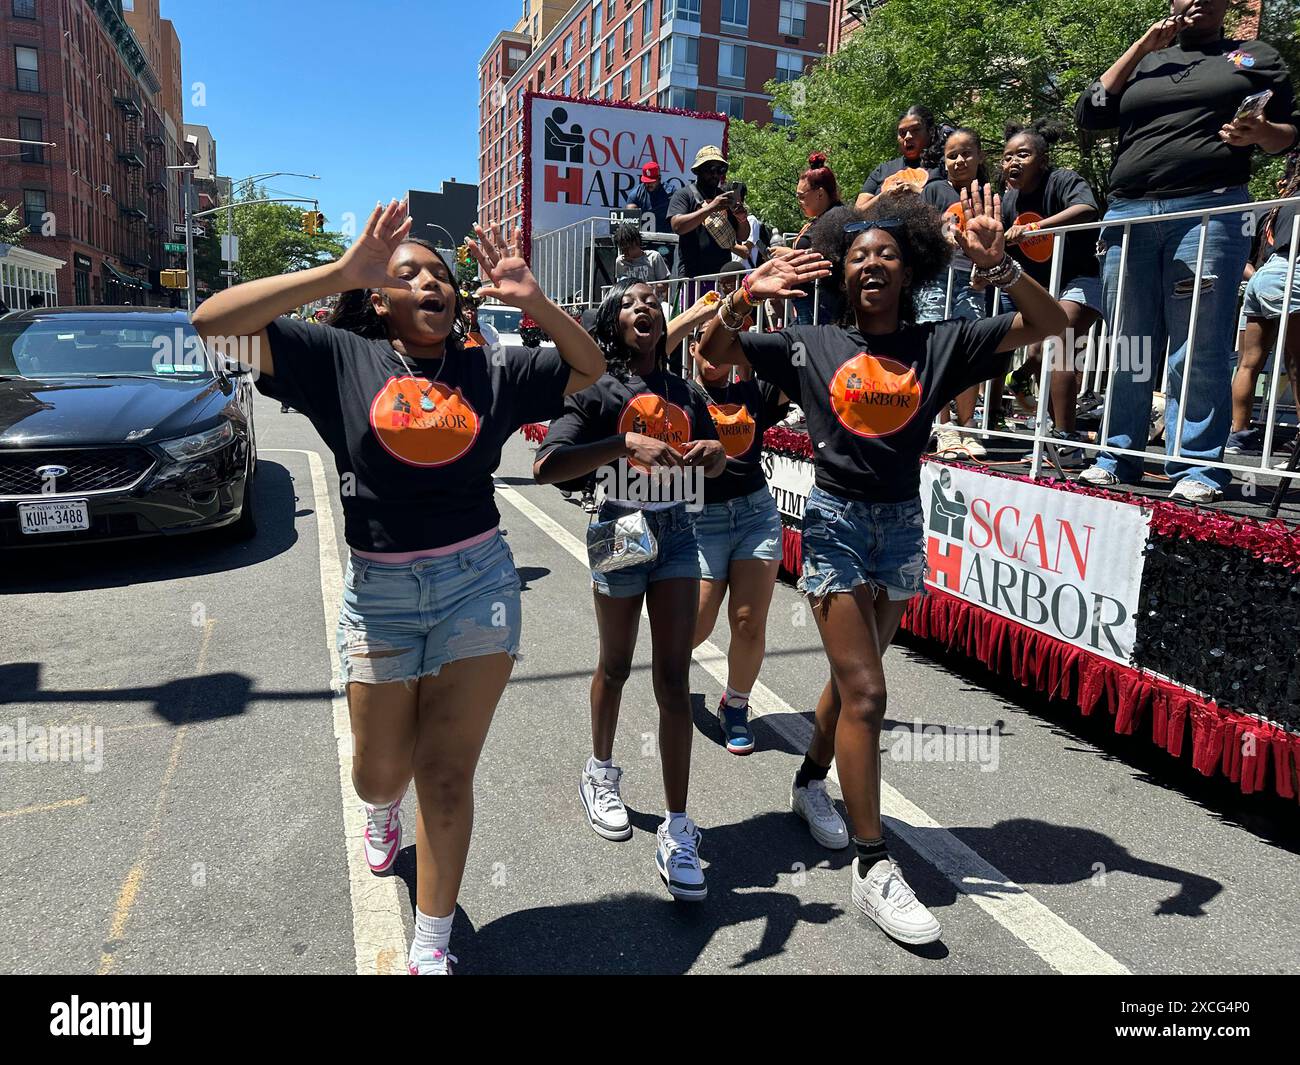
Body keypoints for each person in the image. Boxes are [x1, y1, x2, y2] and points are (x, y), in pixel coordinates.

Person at [191, 202, 605, 975]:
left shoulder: (492, 368)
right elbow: (212, 323)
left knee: (447, 773)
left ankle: (431, 942)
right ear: (380, 298)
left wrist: (535, 301)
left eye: (442, 276)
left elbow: (591, 369)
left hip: (477, 584)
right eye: (407, 273)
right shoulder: (338, 358)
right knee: (379, 772)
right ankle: (383, 810)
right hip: (379, 594)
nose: (430, 283)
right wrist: (339, 271)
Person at [700, 186, 1068, 945]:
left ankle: (808, 785)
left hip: (901, 529)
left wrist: (1000, 268)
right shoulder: (812, 344)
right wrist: (742, 297)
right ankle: (875, 864)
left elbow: (1051, 323)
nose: (872, 264)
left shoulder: (941, 341)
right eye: (858, 255)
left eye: (887, 256)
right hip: (834, 526)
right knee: (868, 690)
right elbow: (711, 355)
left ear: (910, 272)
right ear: (840, 272)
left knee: (847, 681)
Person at [533, 279, 726, 901]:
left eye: (652, 302)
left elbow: (715, 460)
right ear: (613, 323)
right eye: (631, 304)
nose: (644, 308)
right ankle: (601, 771)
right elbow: (547, 464)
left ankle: (677, 827)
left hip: (676, 532)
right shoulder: (596, 387)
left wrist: (713, 454)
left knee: (673, 679)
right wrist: (622, 443)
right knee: (615, 665)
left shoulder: (682, 390)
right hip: (618, 526)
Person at [1075, 0, 1300, 503]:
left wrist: (1260, 132)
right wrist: (1139, 48)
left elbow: (1288, 134)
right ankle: (1117, 454)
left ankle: (1196, 465)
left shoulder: (1255, 56)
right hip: (1129, 213)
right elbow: (1090, 112)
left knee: (1197, 342)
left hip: (1208, 212)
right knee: (1130, 342)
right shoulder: (1147, 60)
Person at [687, 328, 789, 755]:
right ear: (695, 350)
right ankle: (672, 678)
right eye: (707, 347)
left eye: (730, 347)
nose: (716, 356)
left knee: (748, 621)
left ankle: (735, 705)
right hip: (702, 519)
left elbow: (796, 366)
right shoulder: (682, 397)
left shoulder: (755, 391)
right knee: (697, 623)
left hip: (755, 515)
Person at [999, 120, 1105, 469]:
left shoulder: (1062, 180)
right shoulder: (1009, 198)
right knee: (1043, 353)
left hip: (1083, 277)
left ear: (1042, 160)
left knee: (1060, 338)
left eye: (1023, 155)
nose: (1012, 162)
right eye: (1006, 156)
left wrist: (1034, 228)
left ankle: (1066, 439)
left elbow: (1086, 210)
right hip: (1046, 287)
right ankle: (1048, 431)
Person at [920, 127, 991, 458]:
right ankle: (943, 425)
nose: (960, 160)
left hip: (972, 280)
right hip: (936, 280)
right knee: (937, 350)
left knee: (969, 352)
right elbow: (919, 232)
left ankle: (967, 426)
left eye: (966, 153)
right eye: (952, 155)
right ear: (944, 161)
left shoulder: (988, 194)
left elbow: (993, 245)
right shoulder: (934, 191)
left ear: (979, 156)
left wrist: (983, 270)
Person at [1227, 149, 1300, 462]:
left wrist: (1261, 277)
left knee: (1248, 362)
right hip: (1290, 269)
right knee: (1297, 362)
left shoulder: (1271, 208)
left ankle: (1237, 434)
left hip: (1262, 277)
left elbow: (1240, 254)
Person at [782, 152, 855, 326]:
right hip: (809, 303)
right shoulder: (824, 217)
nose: (798, 201)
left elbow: (829, 257)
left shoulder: (838, 217)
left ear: (820, 194)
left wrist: (791, 255)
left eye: (801, 196)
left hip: (824, 305)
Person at [669, 145, 749, 302]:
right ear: (698, 170)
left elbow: (742, 236)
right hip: (693, 278)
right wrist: (711, 207)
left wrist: (742, 219)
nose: (715, 174)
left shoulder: (725, 198)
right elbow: (677, 226)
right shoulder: (684, 195)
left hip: (722, 279)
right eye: (710, 169)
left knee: (719, 325)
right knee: (692, 324)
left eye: (720, 170)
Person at [855, 105, 939, 213]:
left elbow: (953, 203)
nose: (908, 136)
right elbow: (858, 212)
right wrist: (883, 196)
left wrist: (917, 191)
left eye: (915, 130)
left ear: (930, 131)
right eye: (902, 133)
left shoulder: (945, 166)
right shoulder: (882, 170)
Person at [613, 222, 669, 287]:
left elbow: (664, 284)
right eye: (623, 250)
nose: (627, 253)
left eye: (630, 248)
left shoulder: (654, 257)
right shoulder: (620, 262)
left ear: (637, 243)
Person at [626, 161, 673, 235]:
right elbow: (629, 220)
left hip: (665, 239)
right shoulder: (635, 195)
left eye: (652, 181)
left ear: (659, 179)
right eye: (646, 181)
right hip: (642, 239)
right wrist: (631, 212)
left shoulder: (671, 192)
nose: (648, 184)